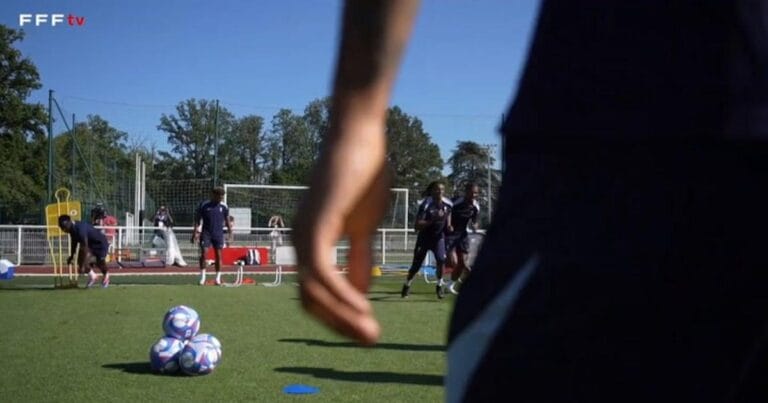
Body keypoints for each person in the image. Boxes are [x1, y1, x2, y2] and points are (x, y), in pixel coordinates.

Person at [294, 1, 768, 402]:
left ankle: (441, 282)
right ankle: (425, 283)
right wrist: (357, 124)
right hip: (605, 151)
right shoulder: (453, 201)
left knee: (457, 266)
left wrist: (356, 120)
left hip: (596, 155)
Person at [400, 181, 452, 299]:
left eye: (442, 190)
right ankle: (407, 284)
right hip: (424, 238)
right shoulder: (426, 204)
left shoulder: (448, 203)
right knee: (416, 266)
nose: (440, 192)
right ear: (432, 191)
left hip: (438, 238)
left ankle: (439, 286)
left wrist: (449, 225)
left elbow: (448, 213)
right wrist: (432, 220)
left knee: (440, 260)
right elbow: (417, 225)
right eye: (437, 189)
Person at [444, 183, 480, 295]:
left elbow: (475, 221)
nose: (474, 195)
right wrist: (449, 224)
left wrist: (475, 225)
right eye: (472, 192)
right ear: (466, 191)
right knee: (454, 262)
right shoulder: (456, 201)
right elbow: (446, 211)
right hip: (450, 234)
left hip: (463, 235)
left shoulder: (476, 206)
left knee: (463, 263)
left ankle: (450, 285)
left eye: (476, 193)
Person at [192, 187, 232, 285]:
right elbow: (197, 220)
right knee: (204, 253)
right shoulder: (204, 205)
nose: (221, 198)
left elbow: (227, 220)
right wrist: (195, 232)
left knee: (218, 255)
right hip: (206, 233)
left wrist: (230, 233)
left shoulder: (224, 206)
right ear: (213, 195)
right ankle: (203, 277)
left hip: (218, 234)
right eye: (219, 195)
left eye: (222, 196)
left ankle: (218, 278)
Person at [58, 214, 110, 288]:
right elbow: (74, 242)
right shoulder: (71, 230)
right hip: (90, 245)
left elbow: (84, 246)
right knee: (81, 261)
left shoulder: (80, 229)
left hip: (100, 244)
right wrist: (72, 256)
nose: (64, 229)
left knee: (99, 262)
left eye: (65, 227)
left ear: (69, 222)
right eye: (62, 228)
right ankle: (93, 276)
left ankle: (106, 276)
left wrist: (82, 266)